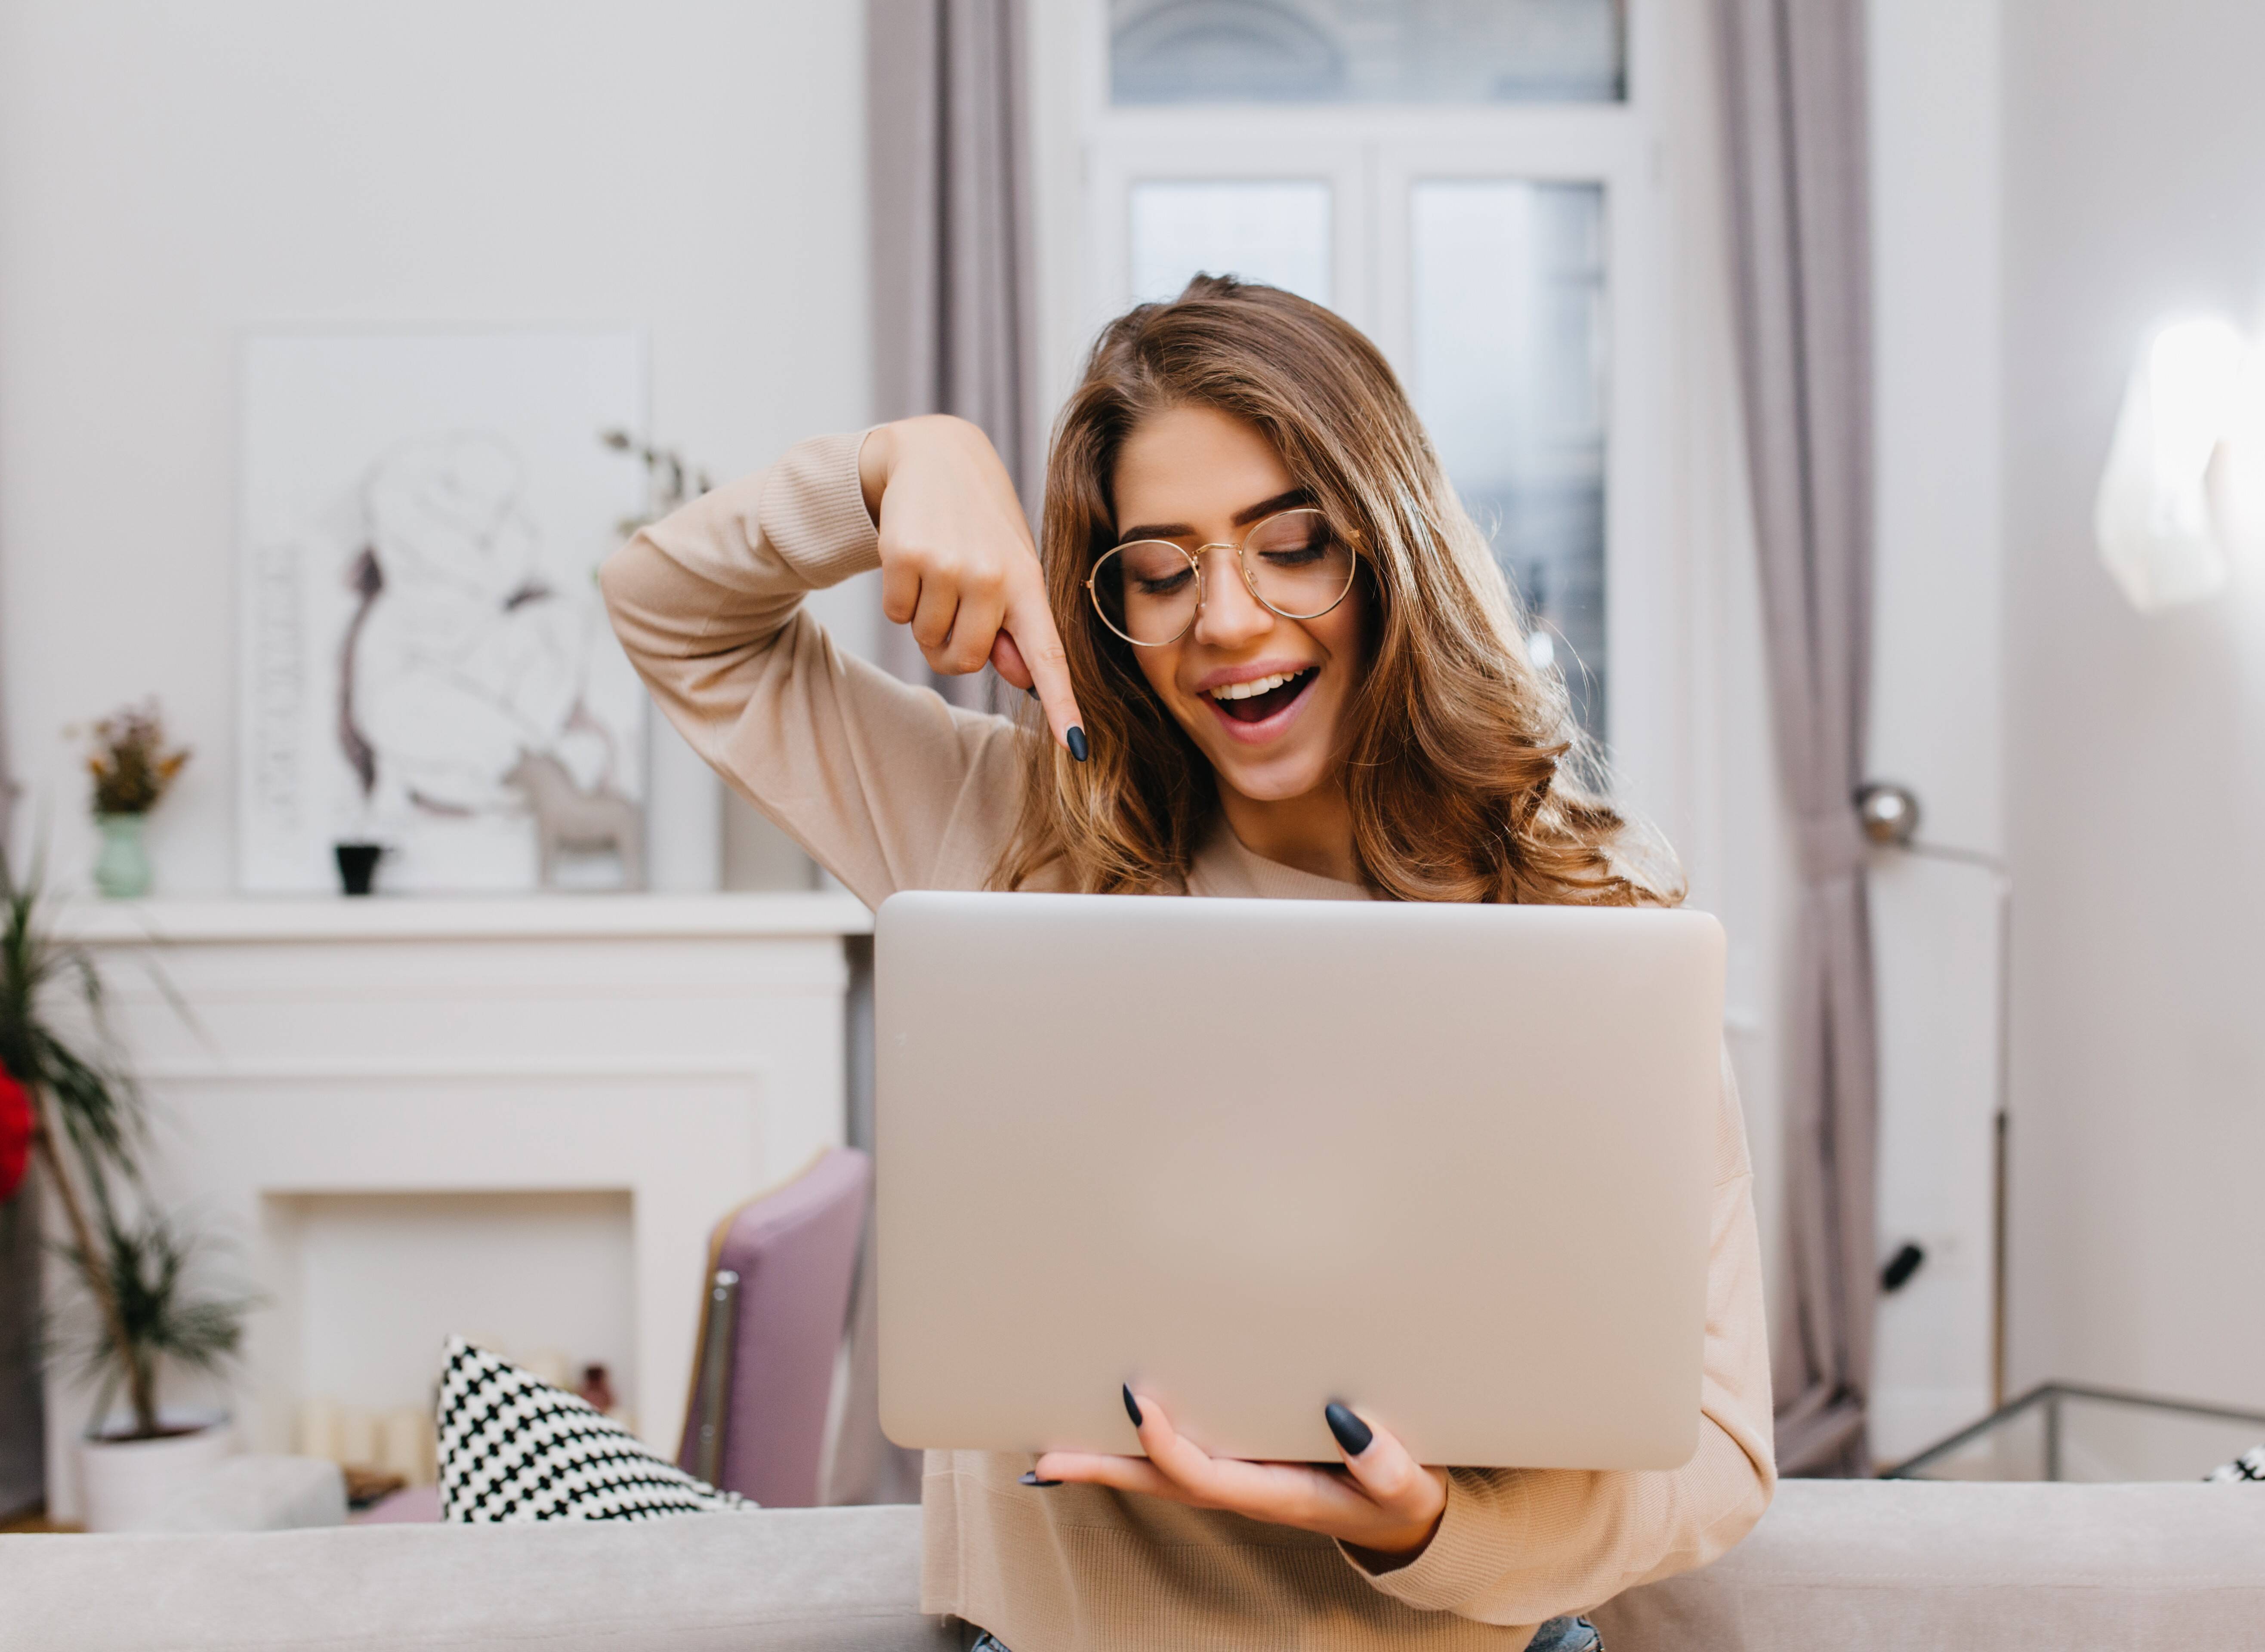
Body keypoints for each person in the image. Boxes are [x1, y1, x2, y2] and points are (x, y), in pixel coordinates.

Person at [602, 276, 1772, 1652]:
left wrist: (1433, 1525)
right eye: (1159, 572)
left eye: (1292, 547)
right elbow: (667, 607)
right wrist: (896, 466)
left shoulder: (1589, 904)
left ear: (1391, 549)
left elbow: (1719, 1448)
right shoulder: (1001, 827)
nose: (1224, 619)